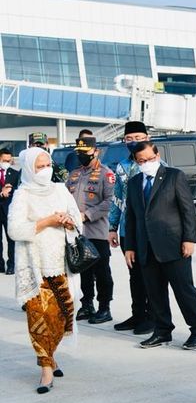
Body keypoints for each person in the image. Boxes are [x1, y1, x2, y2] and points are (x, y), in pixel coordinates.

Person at [7, 147, 83, 393]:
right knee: (39, 319)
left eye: (47, 165)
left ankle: (51, 355)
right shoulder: (22, 194)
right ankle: (46, 368)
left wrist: (68, 221)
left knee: (61, 318)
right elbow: (15, 230)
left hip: (61, 266)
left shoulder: (60, 190)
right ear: (29, 168)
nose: (44, 170)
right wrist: (47, 222)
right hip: (35, 269)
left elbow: (77, 220)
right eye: (39, 167)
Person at [124, 142, 196, 351]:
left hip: (174, 244)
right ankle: (162, 331)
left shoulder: (174, 176)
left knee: (184, 290)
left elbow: (187, 210)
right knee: (155, 293)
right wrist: (130, 247)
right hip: (146, 247)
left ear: (157, 155)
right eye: (141, 161)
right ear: (136, 161)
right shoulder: (134, 183)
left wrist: (190, 239)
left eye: (150, 159)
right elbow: (132, 218)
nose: (146, 164)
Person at [108, 122, 153, 335]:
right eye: (129, 138)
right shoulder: (121, 167)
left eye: (138, 137)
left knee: (150, 275)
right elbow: (117, 199)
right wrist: (112, 227)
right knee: (134, 276)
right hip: (128, 231)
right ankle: (138, 315)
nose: (133, 141)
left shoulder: (153, 163)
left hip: (150, 231)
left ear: (147, 137)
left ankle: (153, 317)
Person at [66, 137, 114, 325]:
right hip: (77, 233)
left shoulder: (106, 174)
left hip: (97, 232)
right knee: (83, 271)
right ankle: (87, 305)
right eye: (79, 153)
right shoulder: (75, 174)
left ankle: (104, 307)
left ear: (96, 152)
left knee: (102, 272)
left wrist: (86, 215)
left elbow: (109, 202)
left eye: (85, 153)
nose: (81, 156)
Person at [1, 148, 19, 274]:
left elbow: (19, 192)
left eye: (9, 160)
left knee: (11, 239)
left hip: (9, 211)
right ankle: (0, 265)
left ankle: (11, 265)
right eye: (4, 160)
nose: (6, 162)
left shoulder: (15, 173)